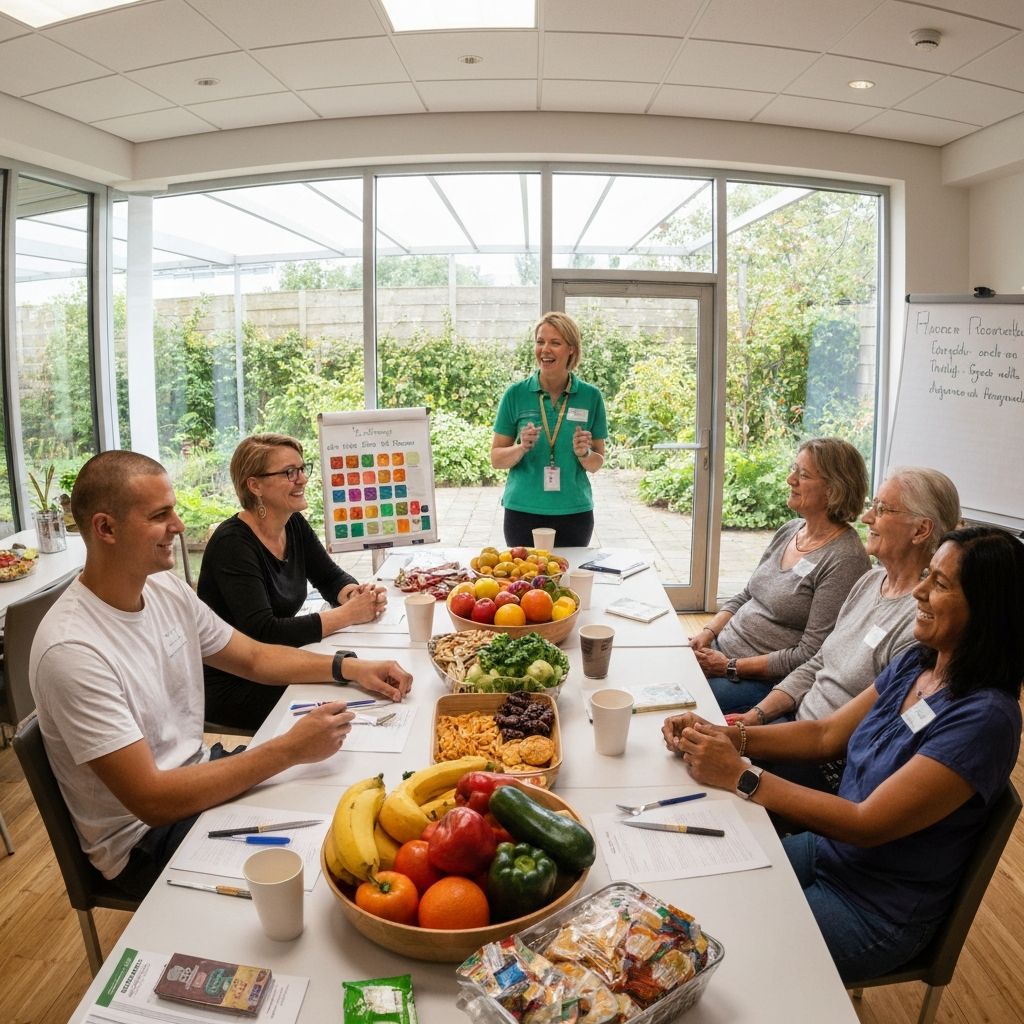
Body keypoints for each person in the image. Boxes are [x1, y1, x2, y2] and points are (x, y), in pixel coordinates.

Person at [29, 450, 412, 900]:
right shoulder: (72, 650)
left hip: (200, 775)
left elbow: (253, 658)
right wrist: (288, 749)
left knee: (345, 803)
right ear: (106, 529)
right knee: (336, 875)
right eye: (160, 515)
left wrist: (349, 668)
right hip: (145, 840)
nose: (178, 525)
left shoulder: (164, 588)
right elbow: (152, 800)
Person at [663, 526, 1023, 983]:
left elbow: (866, 823)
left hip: (876, 906)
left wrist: (741, 776)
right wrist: (725, 736)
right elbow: (824, 734)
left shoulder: (985, 720)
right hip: (831, 851)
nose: (919, 591)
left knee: (722, 950)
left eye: (940, 584)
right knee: (703, 895)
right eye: (926, 576)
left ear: (987, 610)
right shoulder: (918, 663)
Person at [727, 467, 961, 793]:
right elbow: (817, 663)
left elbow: (858, 734)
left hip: (828, 764)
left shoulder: (920, 622)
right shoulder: (869, 581)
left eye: (882, 509)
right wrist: (757, 716)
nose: (866, 518)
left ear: (921, 530)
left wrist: (747, 737)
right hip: (794, 725)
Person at [198, 433, 389, 732]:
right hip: (236, 684)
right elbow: (264, 632)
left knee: (363, 687)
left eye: (302, 469)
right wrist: (348, 614)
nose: (302, 479)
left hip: (276, 663)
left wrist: (354, 594)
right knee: (354, 697)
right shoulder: (232, 545)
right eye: (289, 472)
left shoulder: (293, 523)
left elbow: (329, 577)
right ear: (255, 485)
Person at [692, 437, 871, 715]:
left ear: (833, 490)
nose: (790, 479)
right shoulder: (790, 530)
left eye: (803, 475)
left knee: (682, 698)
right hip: (719, 651)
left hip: (759, 680)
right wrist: (706, 634)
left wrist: (728, 666)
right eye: (793, 469)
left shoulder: (845, 559)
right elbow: (747, 594)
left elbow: (809, 654)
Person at [491, 312, 608, 547]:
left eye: (555, 343)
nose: (545, 349)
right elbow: (496, 459)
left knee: (569, 571)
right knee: (523, 572)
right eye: (540, 341)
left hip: (574, 512)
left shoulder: (591, 396)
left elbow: (596, 463)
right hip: (522, 511)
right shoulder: (515, 395)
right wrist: (521, 447)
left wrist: (584, 453)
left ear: (571, 349)